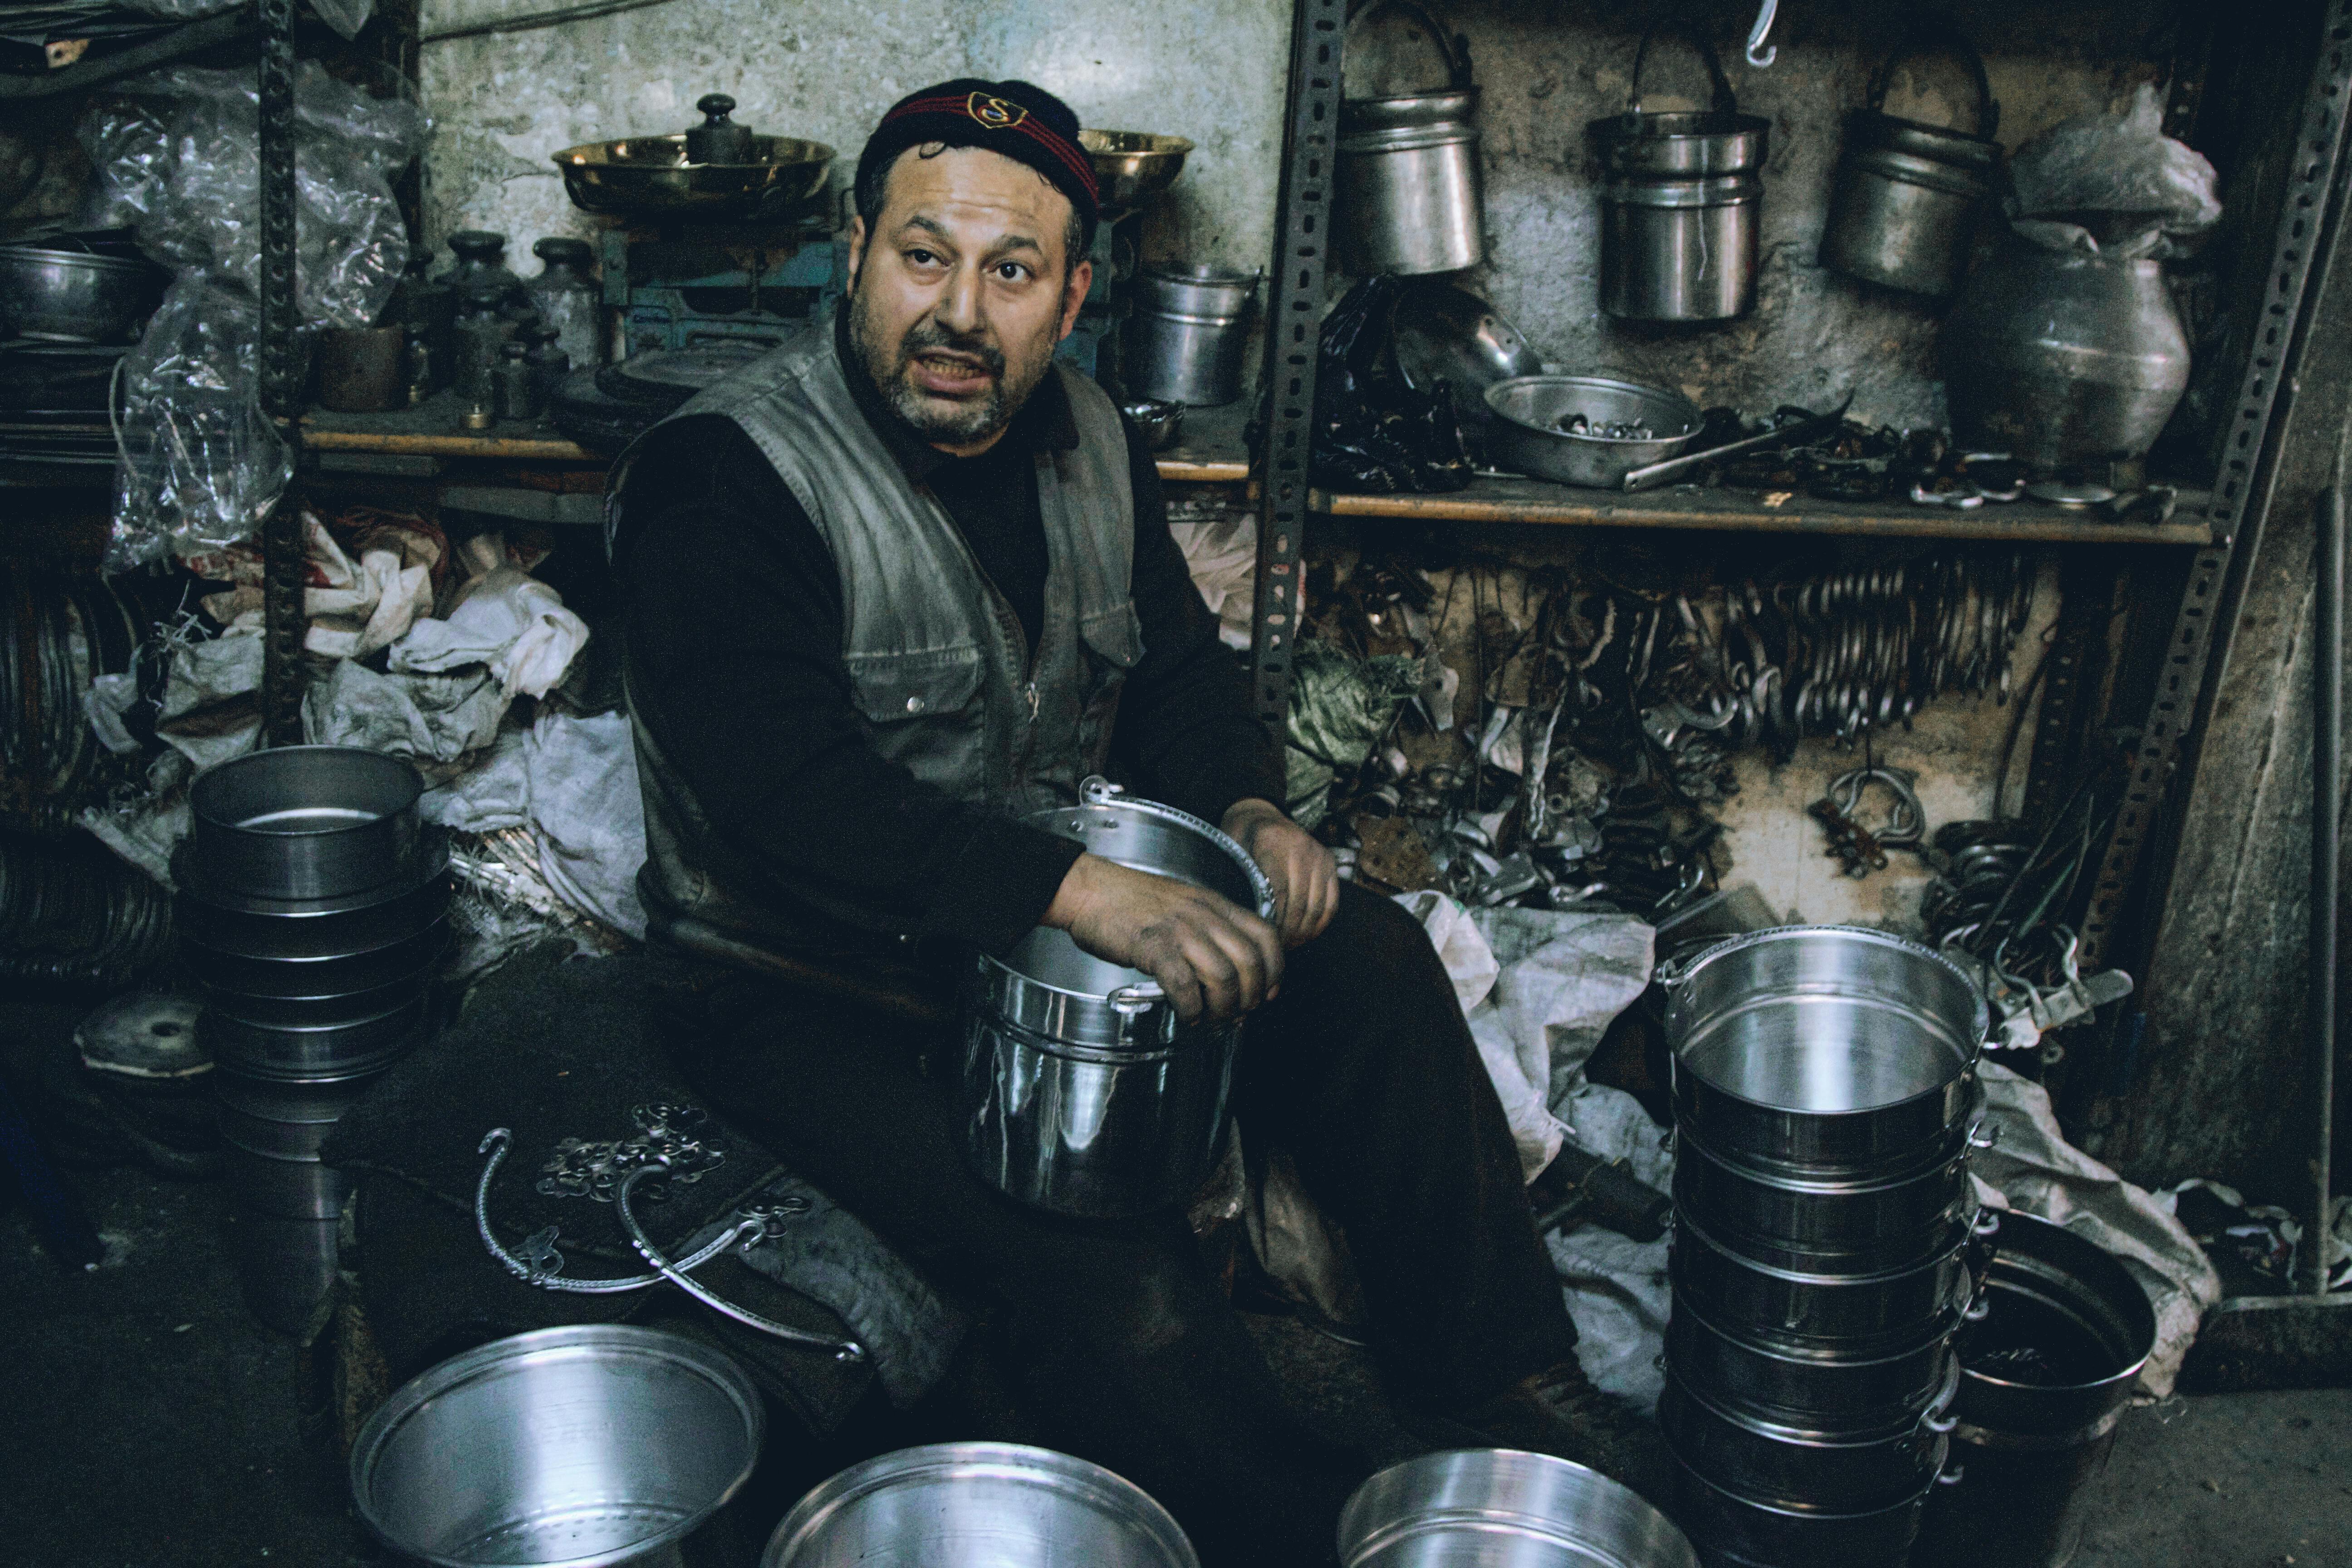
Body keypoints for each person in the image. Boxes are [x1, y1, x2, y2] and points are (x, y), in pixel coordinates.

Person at [609, 78, 1655, 1566]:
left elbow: (1172, 668)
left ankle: (1495, 1377)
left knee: (1363, 955)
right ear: (854, 251)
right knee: (1114, 1277)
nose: (960, 313)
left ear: (1074, 295)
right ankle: (1296, 1533)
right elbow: (787, 802)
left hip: (1031, 953)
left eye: (1013, 273)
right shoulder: (730, 478)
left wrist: (1245, 804)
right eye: (924, 256)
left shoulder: (1089, 432)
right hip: (802, 989)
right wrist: (1088, 897)